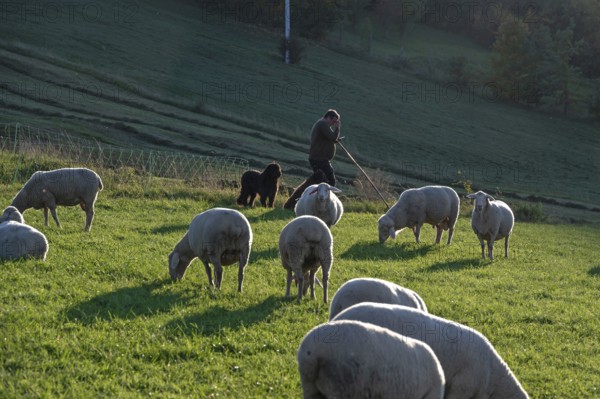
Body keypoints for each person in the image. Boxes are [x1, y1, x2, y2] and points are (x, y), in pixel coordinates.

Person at [308, 109, 341, 187]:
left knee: (322, 182)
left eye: (335, 123)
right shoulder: (322, 124)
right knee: (330, 181)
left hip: (319, 159)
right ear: (328, 117)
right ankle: (325, 198)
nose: (333, 124)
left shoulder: (321, 124)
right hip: (319, 159)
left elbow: (328, 138)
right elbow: (333, 137)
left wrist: (334, 140)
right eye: (333, 121)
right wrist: (337, 128)